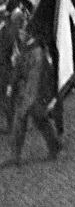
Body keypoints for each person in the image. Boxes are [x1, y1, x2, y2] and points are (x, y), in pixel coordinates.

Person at [1, 25, 62, 168]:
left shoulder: (37, 53)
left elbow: (36, 79)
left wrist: (28, 99)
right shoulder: (25, 48)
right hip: (28, 92)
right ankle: (53, 145)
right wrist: (11, 84)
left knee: (24, 120)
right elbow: (17, 68)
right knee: (39, 120)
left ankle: (16, 156)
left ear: (30, 34)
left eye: (22, 32)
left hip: (35, 93)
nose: (20, 35)